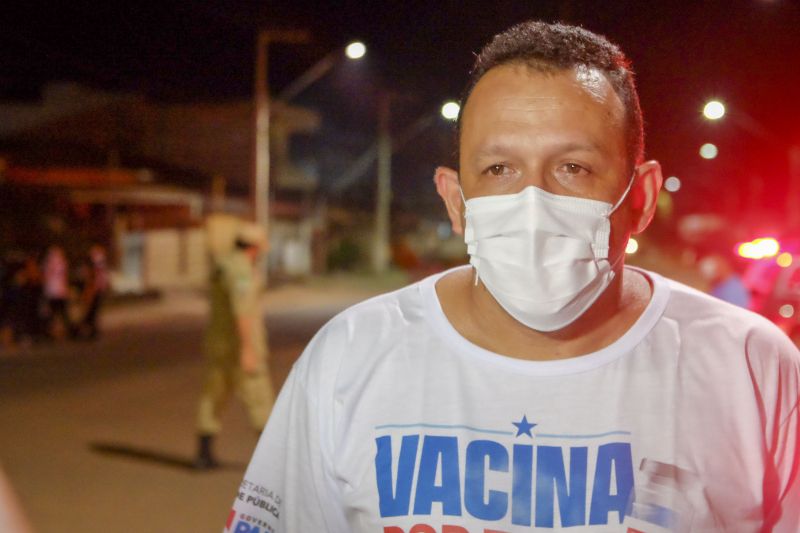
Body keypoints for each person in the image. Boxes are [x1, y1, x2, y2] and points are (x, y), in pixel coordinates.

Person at [228, 21, 800, 532]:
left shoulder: (752, 369)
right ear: (456, 201)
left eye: (573, 167)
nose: (533, 202)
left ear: (641, 198)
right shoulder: (351, 358)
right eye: (498, 168)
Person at [195, 222, 275, 469]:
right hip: (239, 346)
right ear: (255, 246)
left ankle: (204, 455)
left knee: (213, 397)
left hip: (218, 344)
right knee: (260, 399)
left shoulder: (224, 264)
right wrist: (248, 349)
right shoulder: (241, 270)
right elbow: (242, 311)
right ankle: (271, 465)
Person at [77, 244, 110, 340]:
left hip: (97, 287)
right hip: (96, 288)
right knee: (92, 311)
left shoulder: (98, 260)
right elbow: (94, 275)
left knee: (93, 311)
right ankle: (87, 330)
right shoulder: (97, 259)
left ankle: (90, 330)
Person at [42, 245, 74, 339]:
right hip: (60, 291)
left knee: (54, 314)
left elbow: (46, 277)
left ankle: (50, 332)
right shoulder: (62, 263)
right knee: (62, 313)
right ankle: (67, 331)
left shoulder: (49, 263)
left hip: (53, 292)